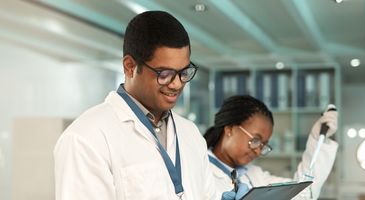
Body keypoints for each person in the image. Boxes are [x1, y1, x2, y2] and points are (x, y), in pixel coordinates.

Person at [54, 10, 243, 200]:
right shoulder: (86, 138)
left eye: (184, 72)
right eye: (164, 74)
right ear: (130, 67)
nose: (177, 84)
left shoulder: (190, 133)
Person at [204, 95, 338, 199]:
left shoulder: (254, 174)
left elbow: (302, 193)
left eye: (263, 145)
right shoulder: (199, 171)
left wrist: (318, 140)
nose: (257, 151)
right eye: (256, 140)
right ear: (230, 130)